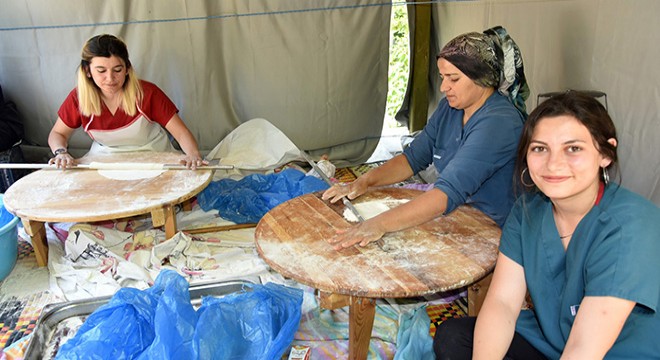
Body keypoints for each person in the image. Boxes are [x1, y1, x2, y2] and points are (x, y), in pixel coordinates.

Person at [433, 91, 660, 359]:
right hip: (552, 342)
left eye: (573, 148)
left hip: (613, 352)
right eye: (540, 148)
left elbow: (584, 349)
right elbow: (503, 303)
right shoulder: (529, 210)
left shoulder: (631, 225)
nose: (553, 164)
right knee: (455, 338)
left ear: (605, 154)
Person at [322, 26, 529, 249]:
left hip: (495, 230)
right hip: (459, 216)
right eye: (442, 77)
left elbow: (447, 193)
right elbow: (413, 158)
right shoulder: (451, 109)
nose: (443, 87)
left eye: (453, 79)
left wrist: (377, 224)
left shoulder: (499, 123)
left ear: (482, 79)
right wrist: (363, 182)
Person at [48, 34, 207, 169]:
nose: (110, 78)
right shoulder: (78, 99)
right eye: (101, 71)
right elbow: (58, 133)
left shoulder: (147, 93)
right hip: (105, 158)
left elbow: (180, 132)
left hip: (153, 154)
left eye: (117, 70)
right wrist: (61, 152)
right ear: (87, 71)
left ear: (127, 69)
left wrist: (193, 155)